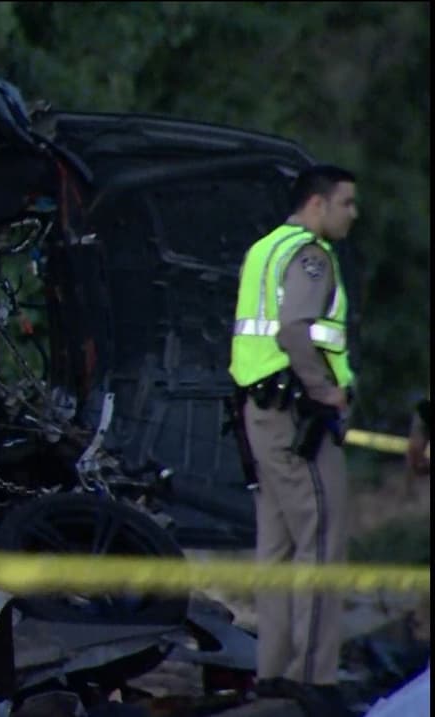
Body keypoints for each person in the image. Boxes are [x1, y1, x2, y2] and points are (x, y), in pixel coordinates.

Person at [228, 164, 359, 712]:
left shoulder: (264, 249)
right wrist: (327, 392)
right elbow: (294, 329)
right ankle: (314, 680)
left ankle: (276, 672)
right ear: (317, 204)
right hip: (297, 417)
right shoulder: (310, 255)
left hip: (262, 413)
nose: (353, 213)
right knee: (322, 539)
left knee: (277, 547)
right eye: (346, 203)